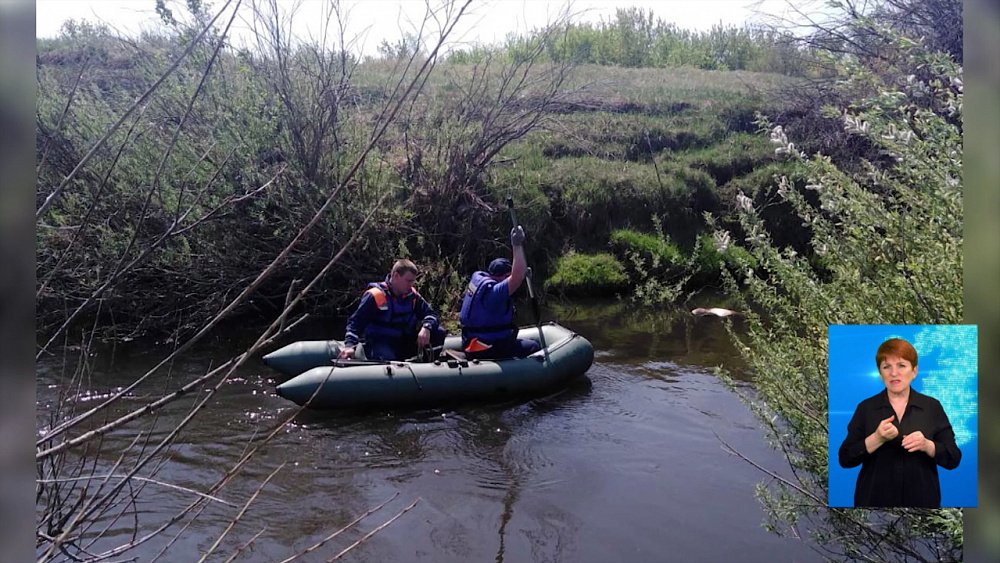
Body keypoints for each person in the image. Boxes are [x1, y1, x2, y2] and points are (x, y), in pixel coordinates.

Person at [838, 337, 961, 508]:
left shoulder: (932, 407)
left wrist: (927, 445)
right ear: (880, 373)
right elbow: (845, 458)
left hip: (922, 509)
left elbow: (953, 458)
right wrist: (877, 438)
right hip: (873, 507)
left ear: (914, 371)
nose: (894, 373)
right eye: (886, 367)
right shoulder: (866, 408)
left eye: (901, 365)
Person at [458, 226, 542, 360]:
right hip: (486, 347)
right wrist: (517, 244)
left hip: (473, 341)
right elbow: (516, 277)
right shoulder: (494, 293)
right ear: (504, 276)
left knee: (523, 341)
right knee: (533, 346)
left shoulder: (482, 282)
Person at [339, 259, 446, 361]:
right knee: (386, 355)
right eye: (408, 281)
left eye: (413, 281)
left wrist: (426, 327)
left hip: (403, 342)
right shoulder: (375, 296)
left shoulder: (412, 296)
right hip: (380, 343)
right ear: (395, 276)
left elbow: (432, 314)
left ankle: (427, 369)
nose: (411, 285)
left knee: (439, 332)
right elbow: (355, 323)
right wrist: (349, 345)